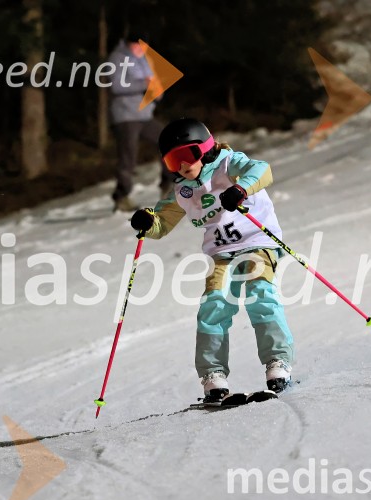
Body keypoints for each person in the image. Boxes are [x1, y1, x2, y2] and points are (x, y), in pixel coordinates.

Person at [130, 118, 294, 402]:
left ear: (205, 149)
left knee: (260, 295)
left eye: (186, 155)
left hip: (257, 242)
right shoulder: (183, 191)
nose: (181, 166)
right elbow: (160, 224)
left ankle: (277, 362)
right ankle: (212, 373)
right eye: (172, 161)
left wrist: (241, 189)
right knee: (214, 305)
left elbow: (262, 170)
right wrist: (147, 220)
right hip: (222, 254)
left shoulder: (229, 164)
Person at [107, 30, 174, 212]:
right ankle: (122, 196)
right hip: (126, 116)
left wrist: (158, 92)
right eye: (137, 46)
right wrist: (144, 84)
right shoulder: (117, 58)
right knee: (128, 156)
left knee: (167, 141)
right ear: (129, 44)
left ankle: (168, 183)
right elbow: (116, 85)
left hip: (144, 115)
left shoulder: (144, 59)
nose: (140, 50)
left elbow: (153, 83)